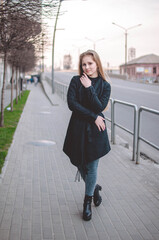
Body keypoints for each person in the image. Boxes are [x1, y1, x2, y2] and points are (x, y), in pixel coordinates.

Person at [63, 50, 111, 221]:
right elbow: (72, 104)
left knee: (92, 167)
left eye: (90, 63)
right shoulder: (76, 80)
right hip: (77, 128)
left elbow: (99, 107)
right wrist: (92, 116)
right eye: (84, 64)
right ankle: (95, 188)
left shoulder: (105, 85)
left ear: (97, 63)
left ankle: (87, 202)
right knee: (77, 161)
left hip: (96, 131)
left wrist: (89, 88)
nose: (87, 67)